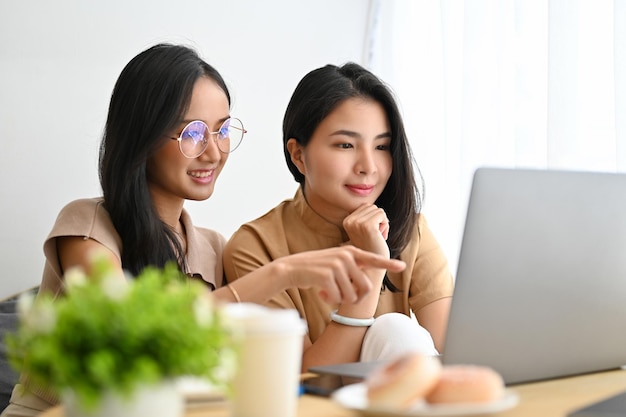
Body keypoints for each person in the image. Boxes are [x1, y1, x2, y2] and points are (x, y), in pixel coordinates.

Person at [0, 45, 406, 417]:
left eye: (223, 130)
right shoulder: (87, 226)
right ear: (142, 136)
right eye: (193, 133)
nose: (213, 152)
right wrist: (280, 274)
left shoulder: (212, 249)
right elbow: (130, 334)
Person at [223, 63, 454, 372]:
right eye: (346, 145)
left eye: (382, 146)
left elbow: (453, 353)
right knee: (394, 329)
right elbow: (304, 379)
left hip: (408, 399)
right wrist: (371, 267)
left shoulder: (411, 229)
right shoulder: (255, 246)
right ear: (298, 155)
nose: (368, 166)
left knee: (396, 332)